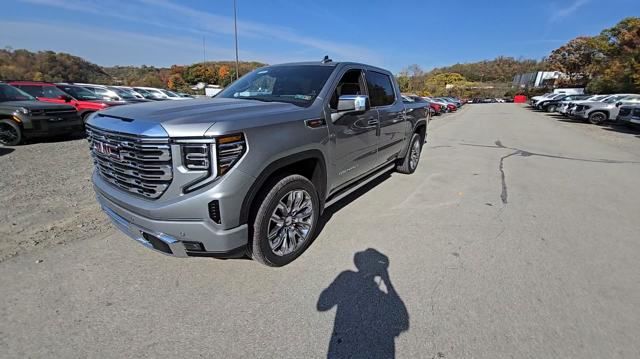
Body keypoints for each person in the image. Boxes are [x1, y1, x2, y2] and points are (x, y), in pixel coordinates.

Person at [317, 249, 409, 358]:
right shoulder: (379, 295)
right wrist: (387, 283)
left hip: (343, 348)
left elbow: (322, 304)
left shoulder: (346, 277)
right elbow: (402, 319)